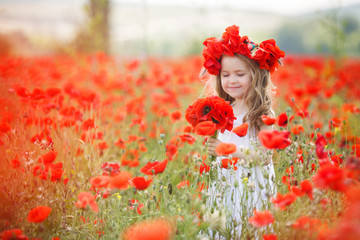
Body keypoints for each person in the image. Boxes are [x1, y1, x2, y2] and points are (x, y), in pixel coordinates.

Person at [201, 25, 285, 239]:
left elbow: (265, 156)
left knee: (247, 229)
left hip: (251, 186)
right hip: (226, 183)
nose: (232, 80)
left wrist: (228, 149)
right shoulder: (223, 108)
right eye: (225, 74)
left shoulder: (262, 112)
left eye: (240, 74)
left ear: (255, 75)